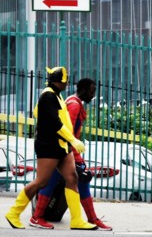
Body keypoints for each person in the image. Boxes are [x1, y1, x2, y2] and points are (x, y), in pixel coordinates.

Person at [5, 66, 97, 230]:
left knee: (72, 178)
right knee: (41, 182)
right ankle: (14, 213)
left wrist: (69, 142)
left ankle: (77, 220)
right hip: (49, 145)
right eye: (66, 79)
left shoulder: (56, 96)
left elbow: (36, 113)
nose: (68, 82)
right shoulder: (48, 95)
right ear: (59, 81)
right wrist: (73, 140)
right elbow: (55, 122)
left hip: (61, 145)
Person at [30, 77, 112, 231]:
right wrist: (75, 156)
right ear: (83, 90)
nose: (93, 95)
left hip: (60, 150)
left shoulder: (70, 101)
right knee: (78, 182)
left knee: (51, 183)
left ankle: (37, 216)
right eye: (92, 91)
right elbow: (68, 132)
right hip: (64, 151)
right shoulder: (74, 105)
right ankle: (91, 219)